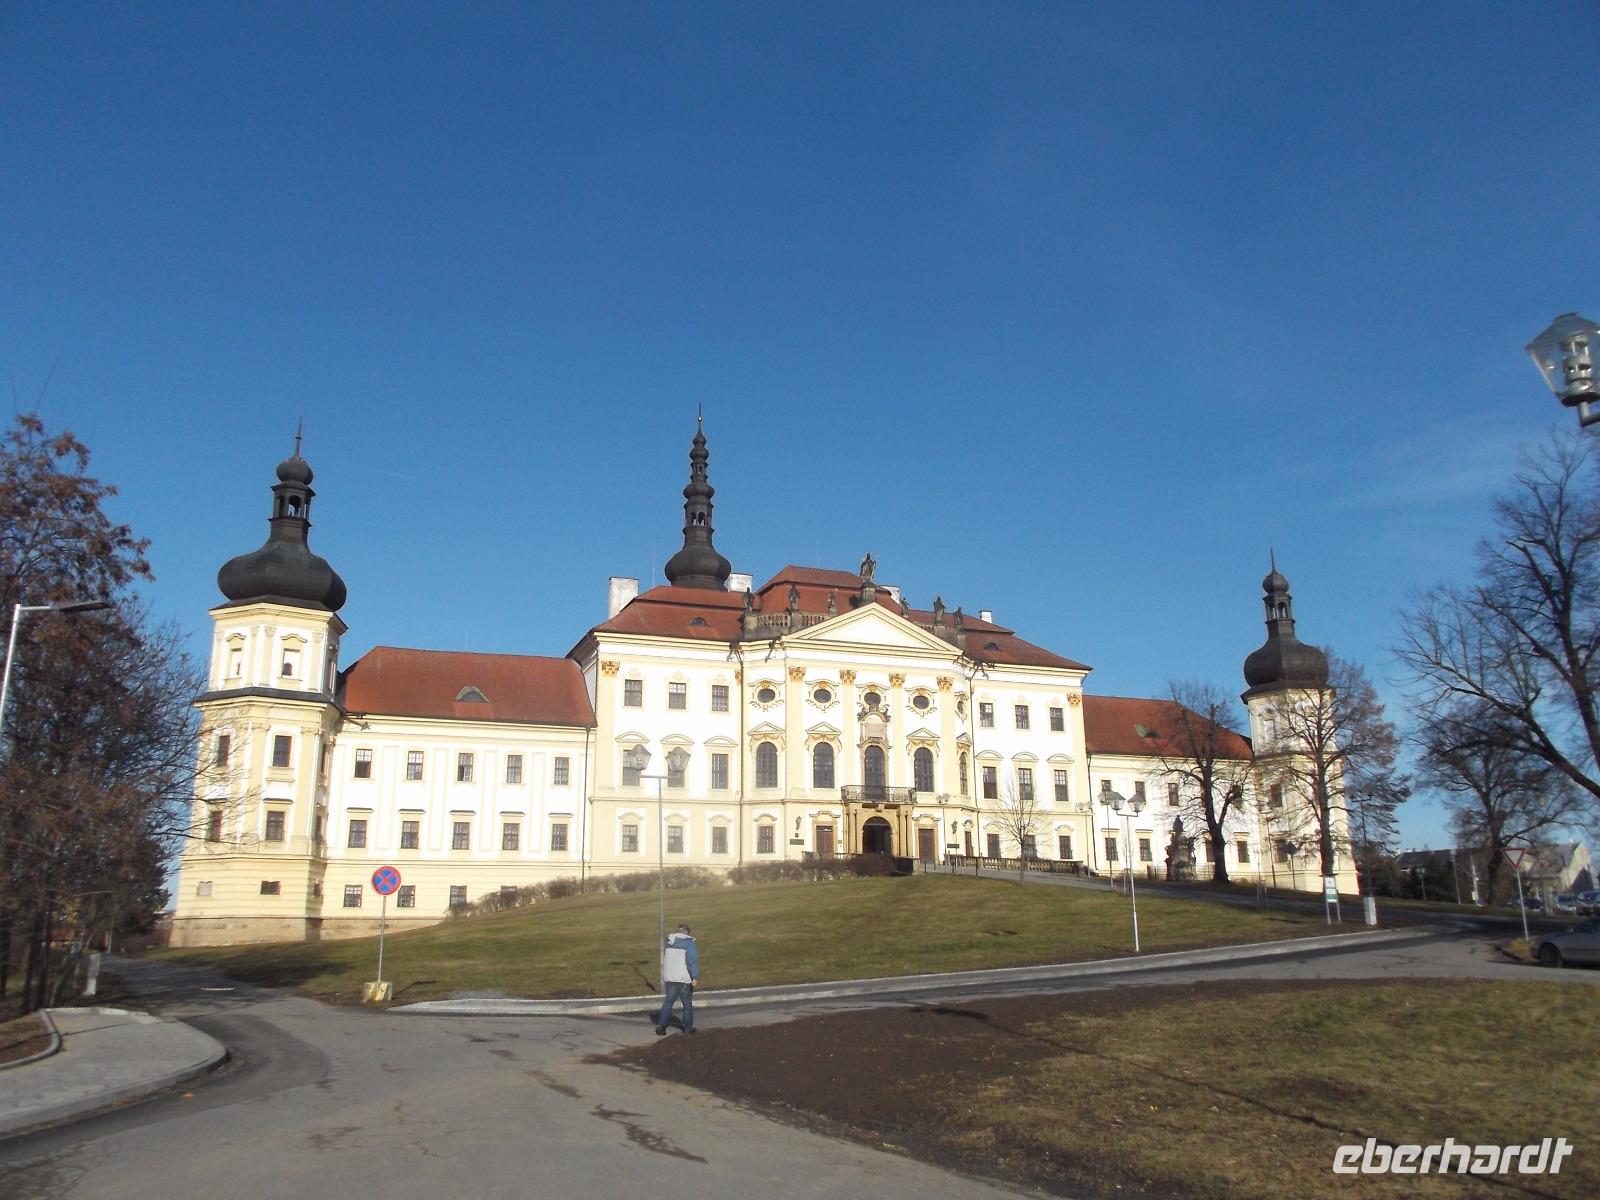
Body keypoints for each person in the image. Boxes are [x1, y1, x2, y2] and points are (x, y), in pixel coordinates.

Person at [655, 922, 698, 1035]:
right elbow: (692, 961)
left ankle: (661, 1026)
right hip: (683, 978)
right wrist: (695, 977)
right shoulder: (689, 943)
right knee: (687, 1004)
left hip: (669, 977)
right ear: (687, 932)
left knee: (669, 1001)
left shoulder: (669, 942)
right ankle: (688, 1028)